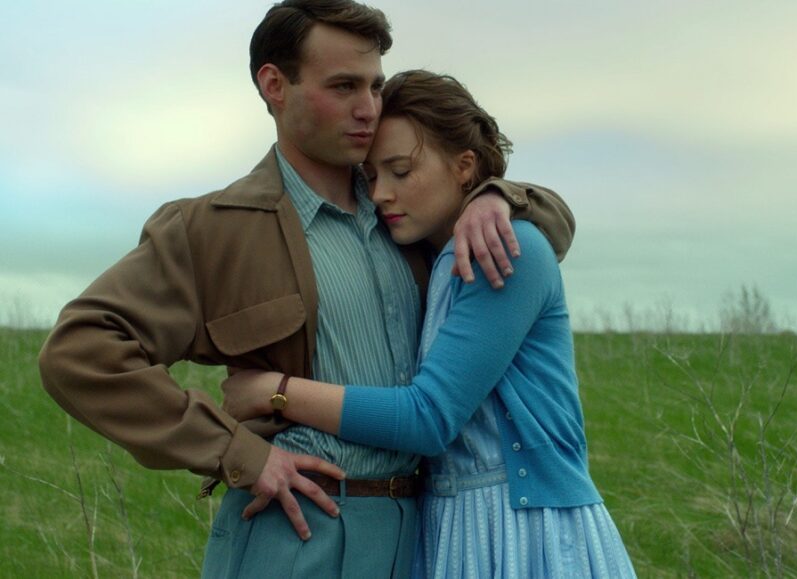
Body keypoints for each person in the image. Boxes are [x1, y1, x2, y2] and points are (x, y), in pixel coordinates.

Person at [37, 1, 574, 578]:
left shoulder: (407, 212)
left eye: (374, 85)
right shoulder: (214, 229)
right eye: (343, 86)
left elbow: (537, 228)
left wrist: (497, 195)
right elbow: (81, 351)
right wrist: (238, 453)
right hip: (293, 534)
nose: (368, 108)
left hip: (419, 540)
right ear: (275, 85)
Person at [222, 69, 636, 578]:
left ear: (465, 166)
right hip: (447, 528)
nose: (381, 194)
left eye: (401, 171)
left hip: (526, 527)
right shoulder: (425, 256)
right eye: (372, 177)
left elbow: (429, 418)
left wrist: (275, 390)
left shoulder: (507, 247)